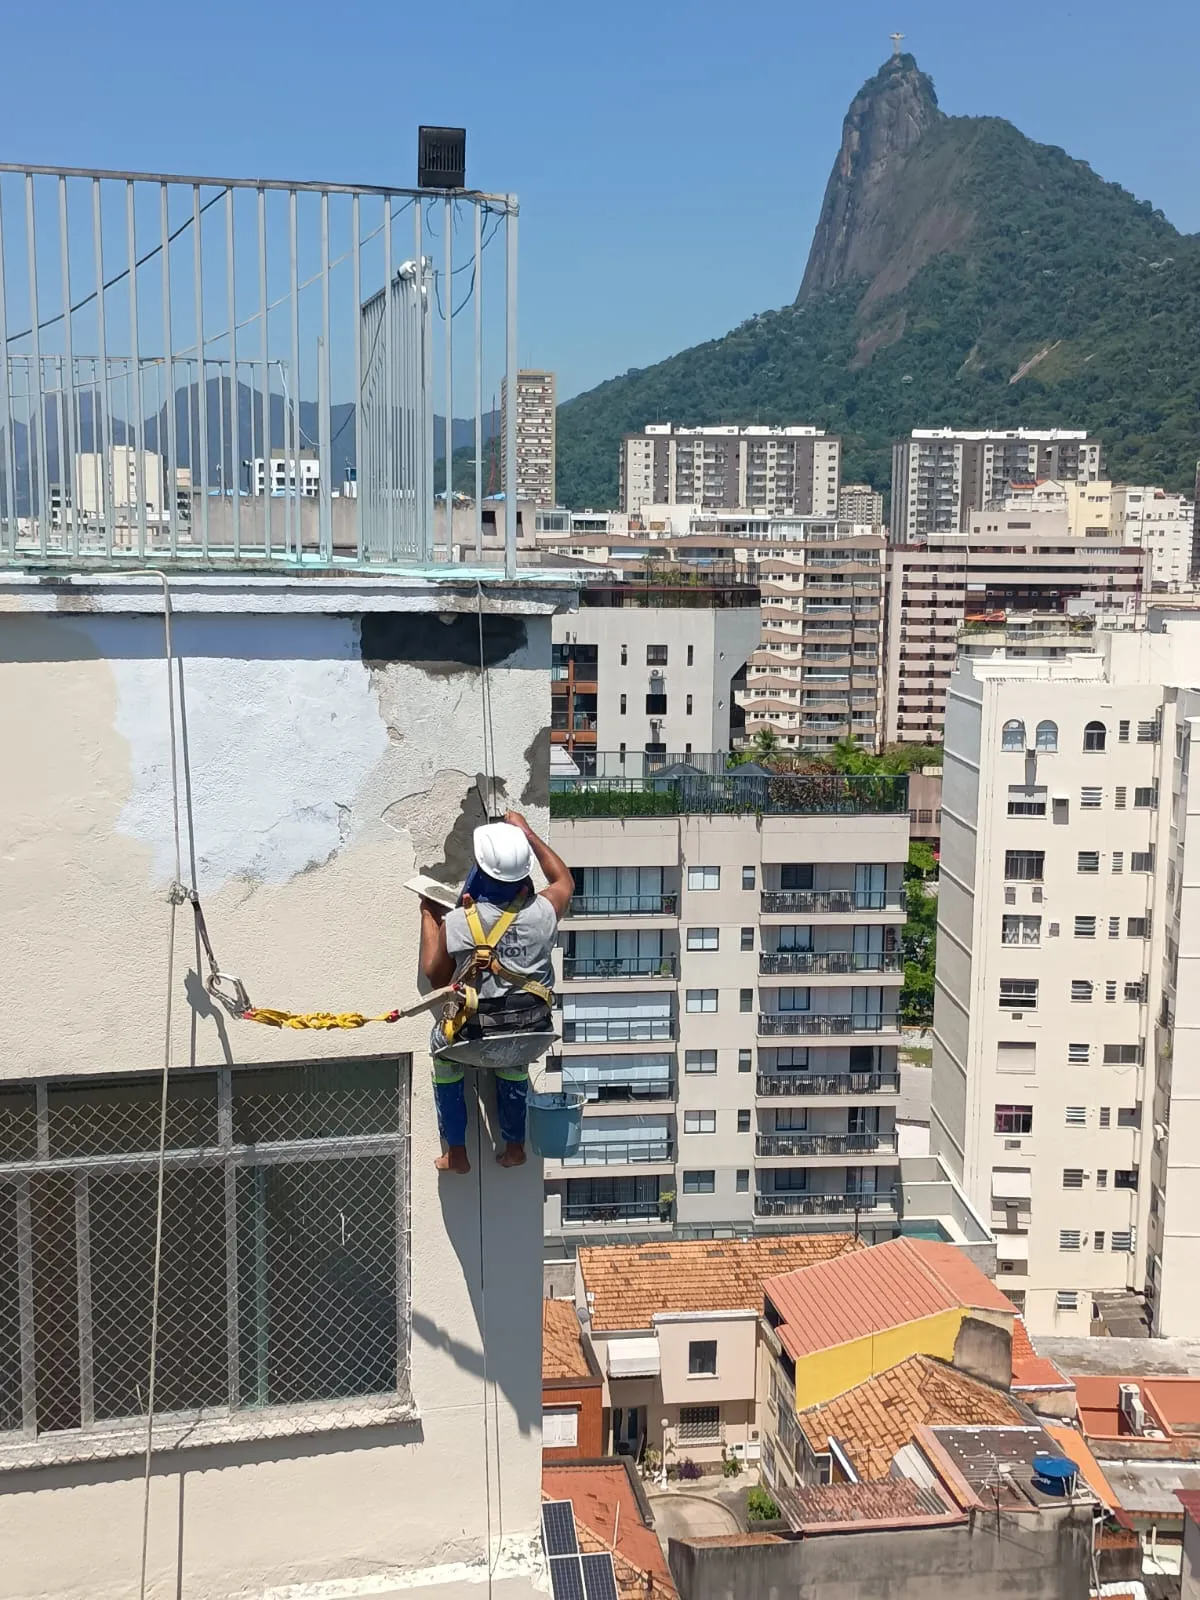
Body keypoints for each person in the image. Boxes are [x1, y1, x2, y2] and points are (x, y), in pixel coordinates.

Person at [419, 809, 574, 1175]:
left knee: (441, 1051)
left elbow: (436, 976)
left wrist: (428, 917)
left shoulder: (459, 922)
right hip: (530, 1034)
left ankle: (457, 1152)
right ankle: (515, 1147)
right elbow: (563, 879)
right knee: (513, 1058)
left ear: (482, 868)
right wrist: (528, 833)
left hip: (475, 1039)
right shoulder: (546, 911)